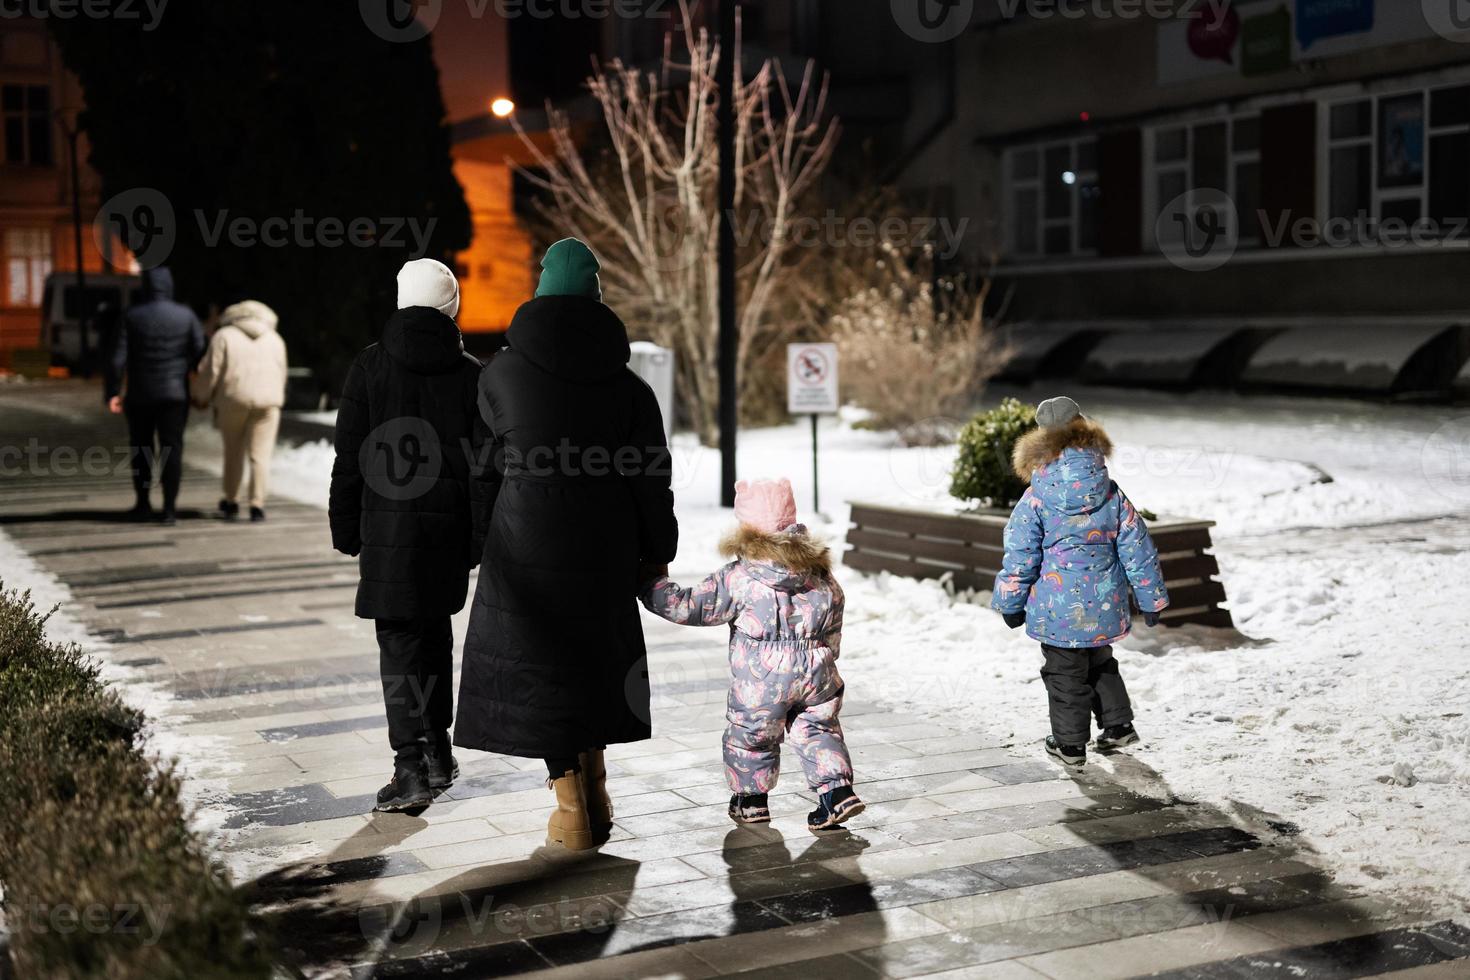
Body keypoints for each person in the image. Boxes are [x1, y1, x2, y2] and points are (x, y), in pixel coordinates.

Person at [454, 238, 677, 851]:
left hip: (522, 540)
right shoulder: (631, 388)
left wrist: (478, 542)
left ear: (540, 291)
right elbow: (649, 476)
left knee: (540, 670)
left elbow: (484, 467)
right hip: (603, 543)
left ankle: (571, 804)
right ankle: (598, 786)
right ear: (597, 298)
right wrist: (657, 551)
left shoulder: (499, 372)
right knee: (592, 662)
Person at [329, 258, 494, 813]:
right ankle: (439, 752)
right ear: (451, 307)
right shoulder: (472, 373)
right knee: (433, 636)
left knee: (399, 643)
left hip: (388, 529)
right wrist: (477, 539)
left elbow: (348, 457)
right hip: (446, 535)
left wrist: (346, 526)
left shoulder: (369, 367)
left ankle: (409, 767)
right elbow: (483, 466)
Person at [638, 477, 864, 834]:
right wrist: (828, 654)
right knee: (819, 730)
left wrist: (651, 586)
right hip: (816, 671)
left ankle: (751, 802)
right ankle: (837, 793)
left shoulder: (740, 577)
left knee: (752, 736)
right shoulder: (819, 573)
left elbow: (691, 606)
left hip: (761, 680)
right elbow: (835, 612)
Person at [992, 396, 1170, 769]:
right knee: (1101, 661)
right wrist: (1151, 599)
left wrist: (1010, 602)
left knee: (1064, 673)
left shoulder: (1037, 497)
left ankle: (1070, 744)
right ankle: (1118, 725)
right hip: (1105, 604)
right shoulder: (1109, 491)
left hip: (1059, 612)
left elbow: (1021, 555)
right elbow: (1138, 546)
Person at [104, 266, 205, 525]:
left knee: (141, 448)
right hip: (175, 394)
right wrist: (191, 377)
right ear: (169, 286)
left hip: (140, 394)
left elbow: (117, 359)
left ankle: (143, 503)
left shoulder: (131, 316)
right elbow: (200, 351)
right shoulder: (186, 316)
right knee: (172, 449)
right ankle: (170, 508)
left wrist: (113, 391)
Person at [191, 300, 288, 522]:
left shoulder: (224, 336)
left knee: (233, 451)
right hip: (268, 403)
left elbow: (210, 371)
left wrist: (200, 396)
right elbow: (281, 372)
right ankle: (257, 504)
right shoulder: (275, 339)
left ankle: (232, 500)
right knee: (260, 455)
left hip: (233, 400)